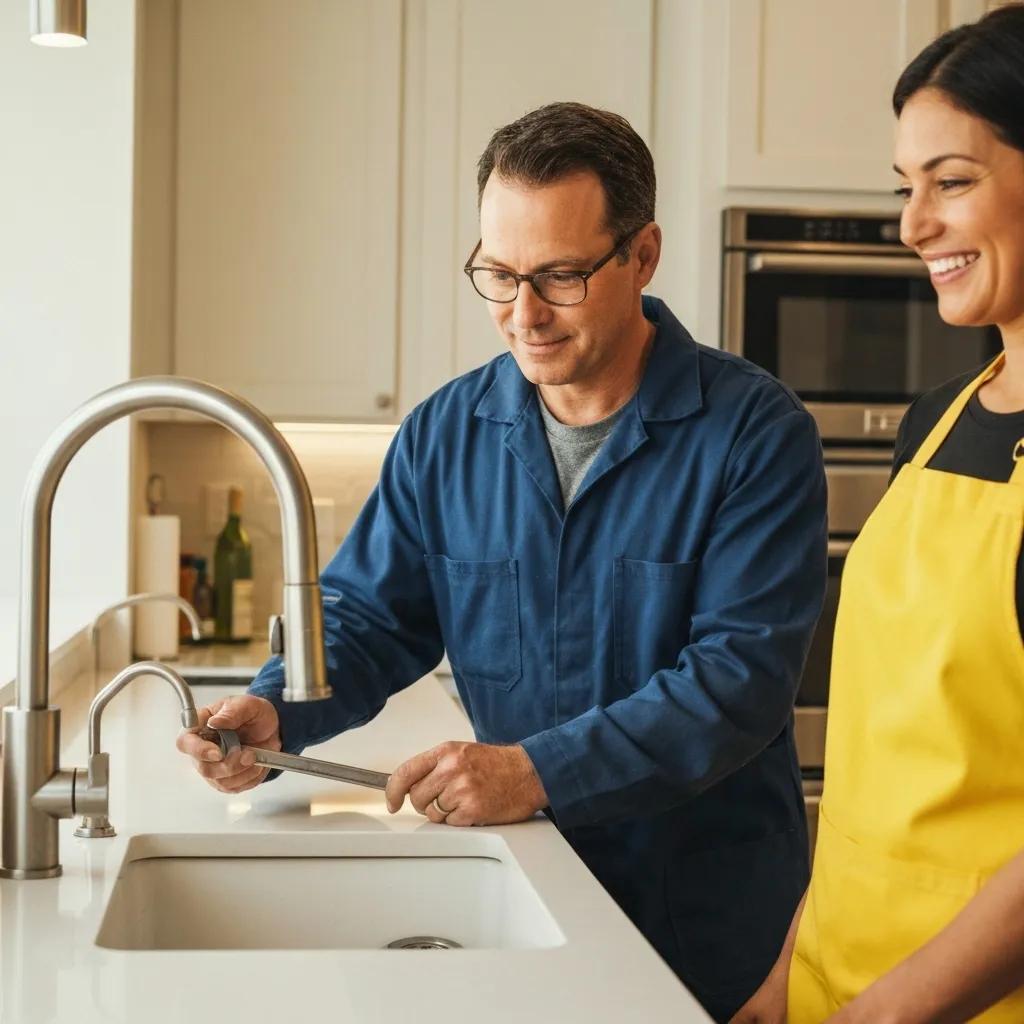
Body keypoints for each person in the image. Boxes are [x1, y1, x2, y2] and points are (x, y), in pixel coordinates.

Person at [177, 101, 827, 1023]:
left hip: (705, 924)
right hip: (520, 883)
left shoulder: (755, 435)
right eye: (496, 274)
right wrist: (277, 707)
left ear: (641, 256)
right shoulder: (447, 431)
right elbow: (370, 615)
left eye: (559, 276)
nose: (522, 315)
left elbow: (736, 683)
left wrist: (536, 771)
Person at [732, 5, 1024, 1023]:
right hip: (833, 984)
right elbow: (874, 772)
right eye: (904, 188)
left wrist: (887, 1013)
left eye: (950, 181)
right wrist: (788, 974)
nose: (911, 224)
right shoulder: (937, 420)